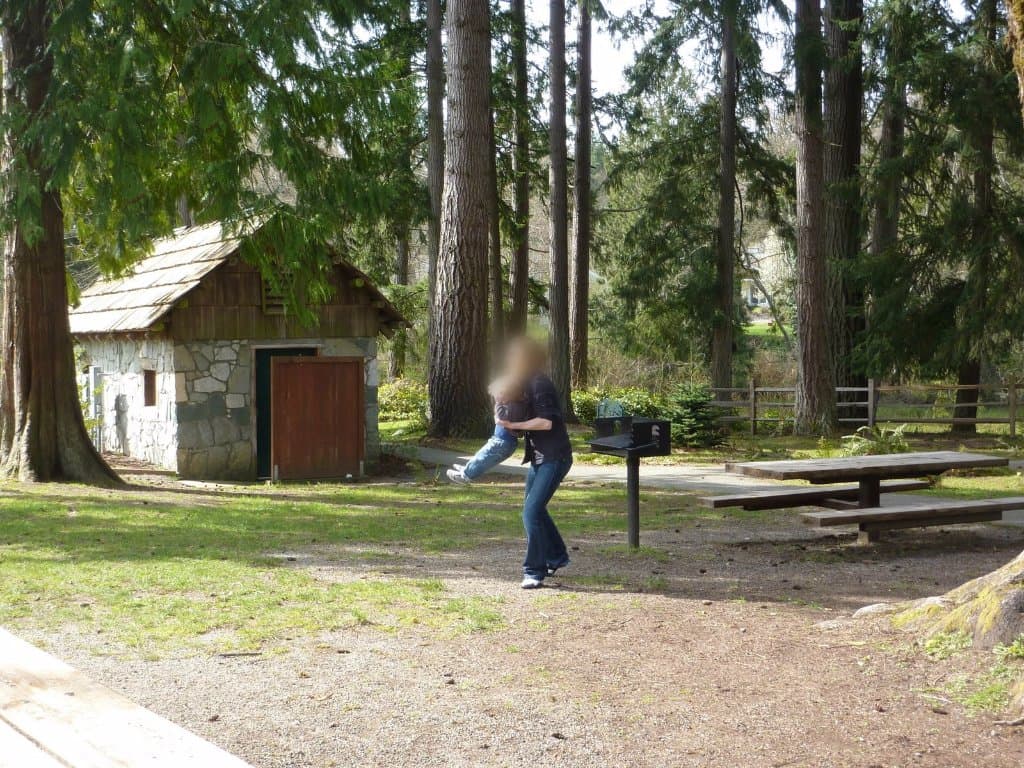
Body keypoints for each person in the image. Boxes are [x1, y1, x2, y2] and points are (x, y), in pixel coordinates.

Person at [495, 337, 574, 589]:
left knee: (531, 512)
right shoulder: (523, 384)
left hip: (555, 458)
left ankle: (534, 571)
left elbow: (546, 422)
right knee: (535, 510)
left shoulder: (540, 383)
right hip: (539, 459)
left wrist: (513, 424)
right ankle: (557, 556)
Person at [446, 376, 531, 484]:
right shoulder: (513, 403)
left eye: (498, 395)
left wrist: (498, 403)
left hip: (503, 442)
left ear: (508, 393)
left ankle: (465, 476)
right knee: (481, 455)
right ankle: (467, 468)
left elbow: (501, 418)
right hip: (500, 440)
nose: (497, 398)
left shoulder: (514, 407)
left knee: (483, 459)